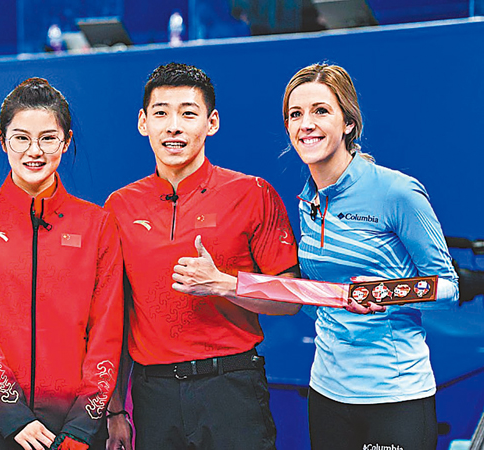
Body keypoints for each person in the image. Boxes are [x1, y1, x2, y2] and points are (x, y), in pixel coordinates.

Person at [104, 62, 300, 450]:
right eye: (161, 113)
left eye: (188, 114)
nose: (173, 127)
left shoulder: (252, 193)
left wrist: (223, 284)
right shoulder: (119, 206)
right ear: (143, 122)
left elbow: (291, 297)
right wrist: (114, 410)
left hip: (231, 388)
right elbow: (118, 317)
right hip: (153, 395)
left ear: (212, 123)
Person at [282, 63, 460, 450]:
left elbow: (449, 287)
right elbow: (321, 293)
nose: (306, 124)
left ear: (348, 122)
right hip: (326, 393)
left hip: (395, 396)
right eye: (295, 114)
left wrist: (389, 292)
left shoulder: (397, 192)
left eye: (320, 111)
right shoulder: (307, 200)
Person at [0, 78, 123, 450]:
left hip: (76, 429)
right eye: (21, 138)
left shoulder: (98, 224)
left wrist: (83, 426)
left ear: (66, 141)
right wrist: (12, 414)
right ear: (3, 140)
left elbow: (107, 332)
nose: (34, 151)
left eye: (48, 138)